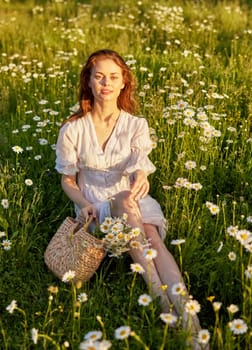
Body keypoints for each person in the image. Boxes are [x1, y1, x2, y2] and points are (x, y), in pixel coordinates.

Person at [55, 49, 204, 348]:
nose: (106, 83)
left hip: (132, 202)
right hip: (96, 208)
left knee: (151, 235)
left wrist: (142, 176)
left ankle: (186, 314)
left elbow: (139, 166)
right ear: (89, 82)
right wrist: (83, 204)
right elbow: (67, 180)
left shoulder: (136, 125)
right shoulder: (73, 129)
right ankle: (165, 304)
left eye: (113, 77)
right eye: (99, 77)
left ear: (124, 82)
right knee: (129, 208)